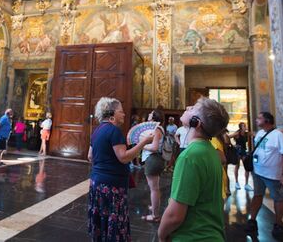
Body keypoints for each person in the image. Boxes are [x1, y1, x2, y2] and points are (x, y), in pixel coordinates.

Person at [158, 97, 229, 242]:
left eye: (194, 108)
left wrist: (161, 234)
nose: (188, 106)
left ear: (196, 123)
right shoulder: (210, 150)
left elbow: (174, 216)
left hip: (193, 236)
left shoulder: (190, 157)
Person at [87, 97, 153, 242]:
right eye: (121, 111)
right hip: (112, 185)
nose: (124, 114)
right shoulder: (114, 131)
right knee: (114, 220)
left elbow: (90, 156)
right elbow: (123, 157)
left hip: (96, 183)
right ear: (112, 113)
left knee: (101, 220)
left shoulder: (97, 130)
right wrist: (143, 142)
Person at [245, 112, 283, 239]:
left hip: (273, 175)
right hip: (258, 172)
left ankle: (278, 224)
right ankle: (252, 221)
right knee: (257, 195)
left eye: (259, 118)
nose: (256, 120)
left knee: (278, 199)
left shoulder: (278, 135)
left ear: (267, 120)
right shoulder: (260, 133)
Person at [141, 109, 165, 222]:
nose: (149, 114)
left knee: (154, 189)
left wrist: (142, 145)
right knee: (155, 188)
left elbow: (154, 148)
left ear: (154, 117)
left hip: (153, 159)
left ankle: (155, 216)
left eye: (150, 113)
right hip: (157, 159)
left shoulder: (156, 129)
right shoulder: (159, 128)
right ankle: (154, 207)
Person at [229, 122, 253, 191]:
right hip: (237, 150)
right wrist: (232, 145)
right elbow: (228, 137)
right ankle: (236, 183)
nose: (245, 127)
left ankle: (246, 184)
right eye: (244, 126)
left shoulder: (246, 133)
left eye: (245, 125)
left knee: (247, 166)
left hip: (243, 151)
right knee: (237, 166)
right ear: (240, 127)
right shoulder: (237, 133)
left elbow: (254, 134)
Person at [211, 129, 230, 199]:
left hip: (216, 173)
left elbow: (223, 159)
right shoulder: (218, 139)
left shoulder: (213, 140)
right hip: (220, 171)